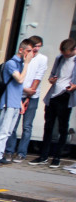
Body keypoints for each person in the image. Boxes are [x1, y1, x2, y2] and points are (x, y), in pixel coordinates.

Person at [32, 39, 76, 167]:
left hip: (66, 96)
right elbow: (52, 74)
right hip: (53, 95)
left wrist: (74, 87)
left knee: (63, 128)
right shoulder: (59, 58)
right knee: (48, 126)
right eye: (63, 53)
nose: (65, 56)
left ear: (74, 50)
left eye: (67, 54)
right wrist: (52, 79)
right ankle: (43, 156)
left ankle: (57, 158)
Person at [0, 39, 35, 166]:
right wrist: (27, 64)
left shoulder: (20, 64)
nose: (30, 54)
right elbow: (20, 80)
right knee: (3, 131)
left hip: (15, 103)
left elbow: (18, 87)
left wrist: (20, 103)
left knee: (9, 132)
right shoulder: (11, 63)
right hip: (8, 102)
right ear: (21, 50)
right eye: (28, 51)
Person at [4, 36, 46, 162]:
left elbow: (38, 76)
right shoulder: (22, 58)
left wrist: (29, 95)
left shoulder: (42, 59)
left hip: (32, 95)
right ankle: (9, 151)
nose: (37, 49)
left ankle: (22, 152)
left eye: (39, 46)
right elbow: (17, 77)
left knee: (27, 125)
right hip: (18, 94)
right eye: (35, 46)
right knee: (13, 125)